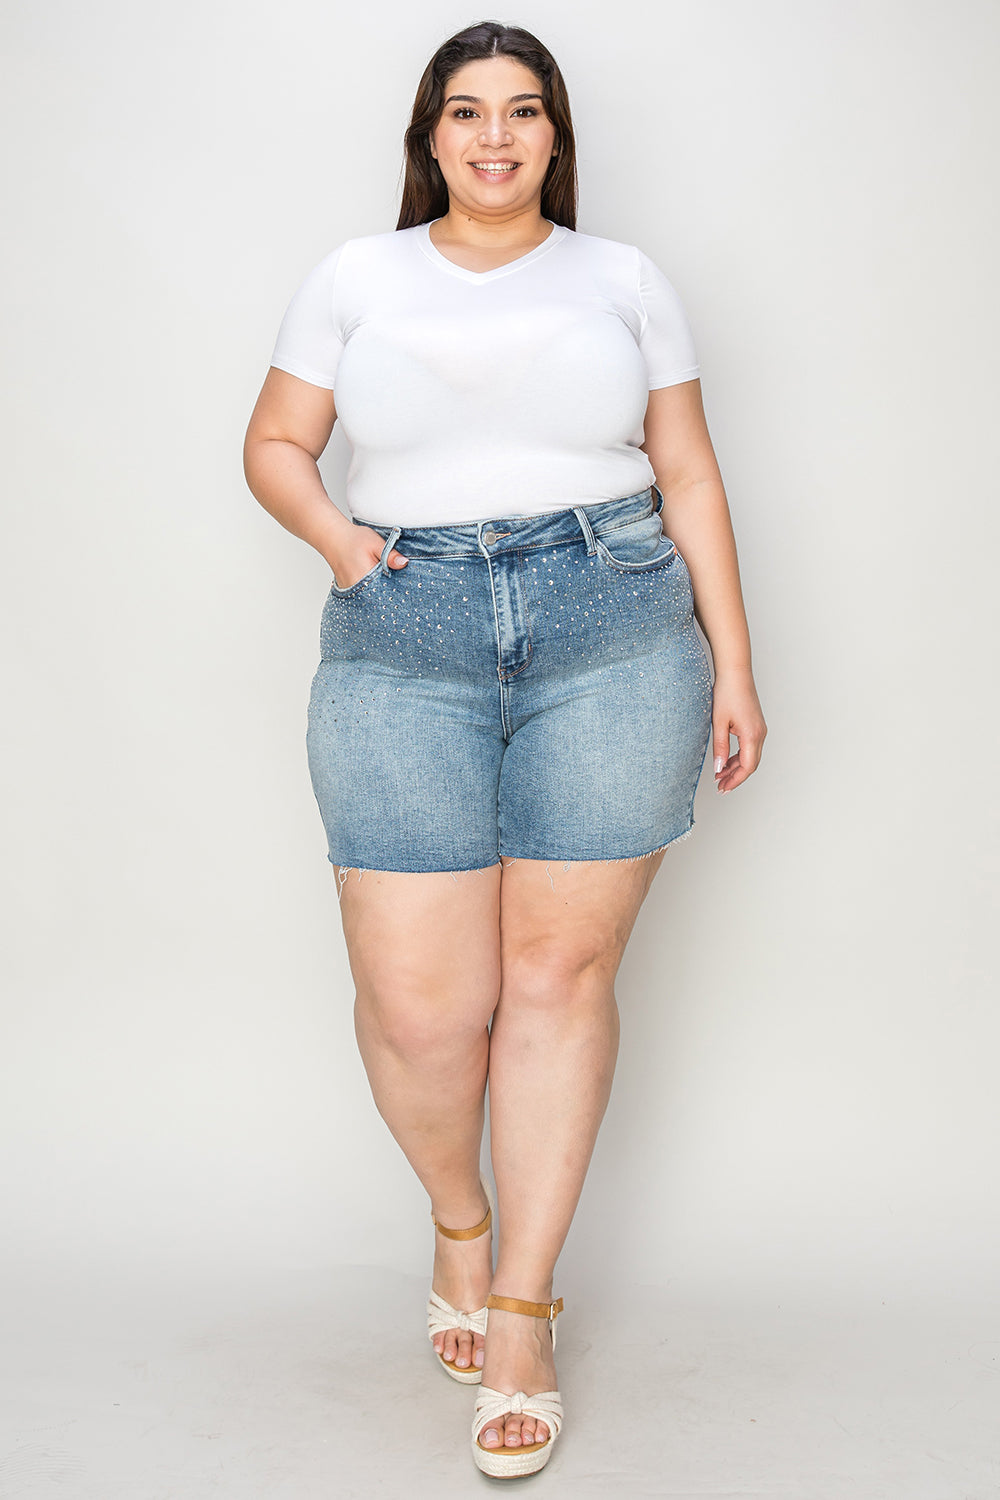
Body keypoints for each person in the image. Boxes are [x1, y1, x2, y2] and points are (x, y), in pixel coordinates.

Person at [243, 18, 766, 1480]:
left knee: (557, 976)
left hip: (616, 625)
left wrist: (735, 660)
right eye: (465, 113)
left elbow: (689, 470)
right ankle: (458, 1224)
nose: (494, 137)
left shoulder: (626, 281)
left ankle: (523, 1306)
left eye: (522, 112)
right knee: (422, 1011)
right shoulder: (356, 278)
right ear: (429, 137)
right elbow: (275, 444)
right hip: (401, 636)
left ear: (554, 135)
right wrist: (344, 546)